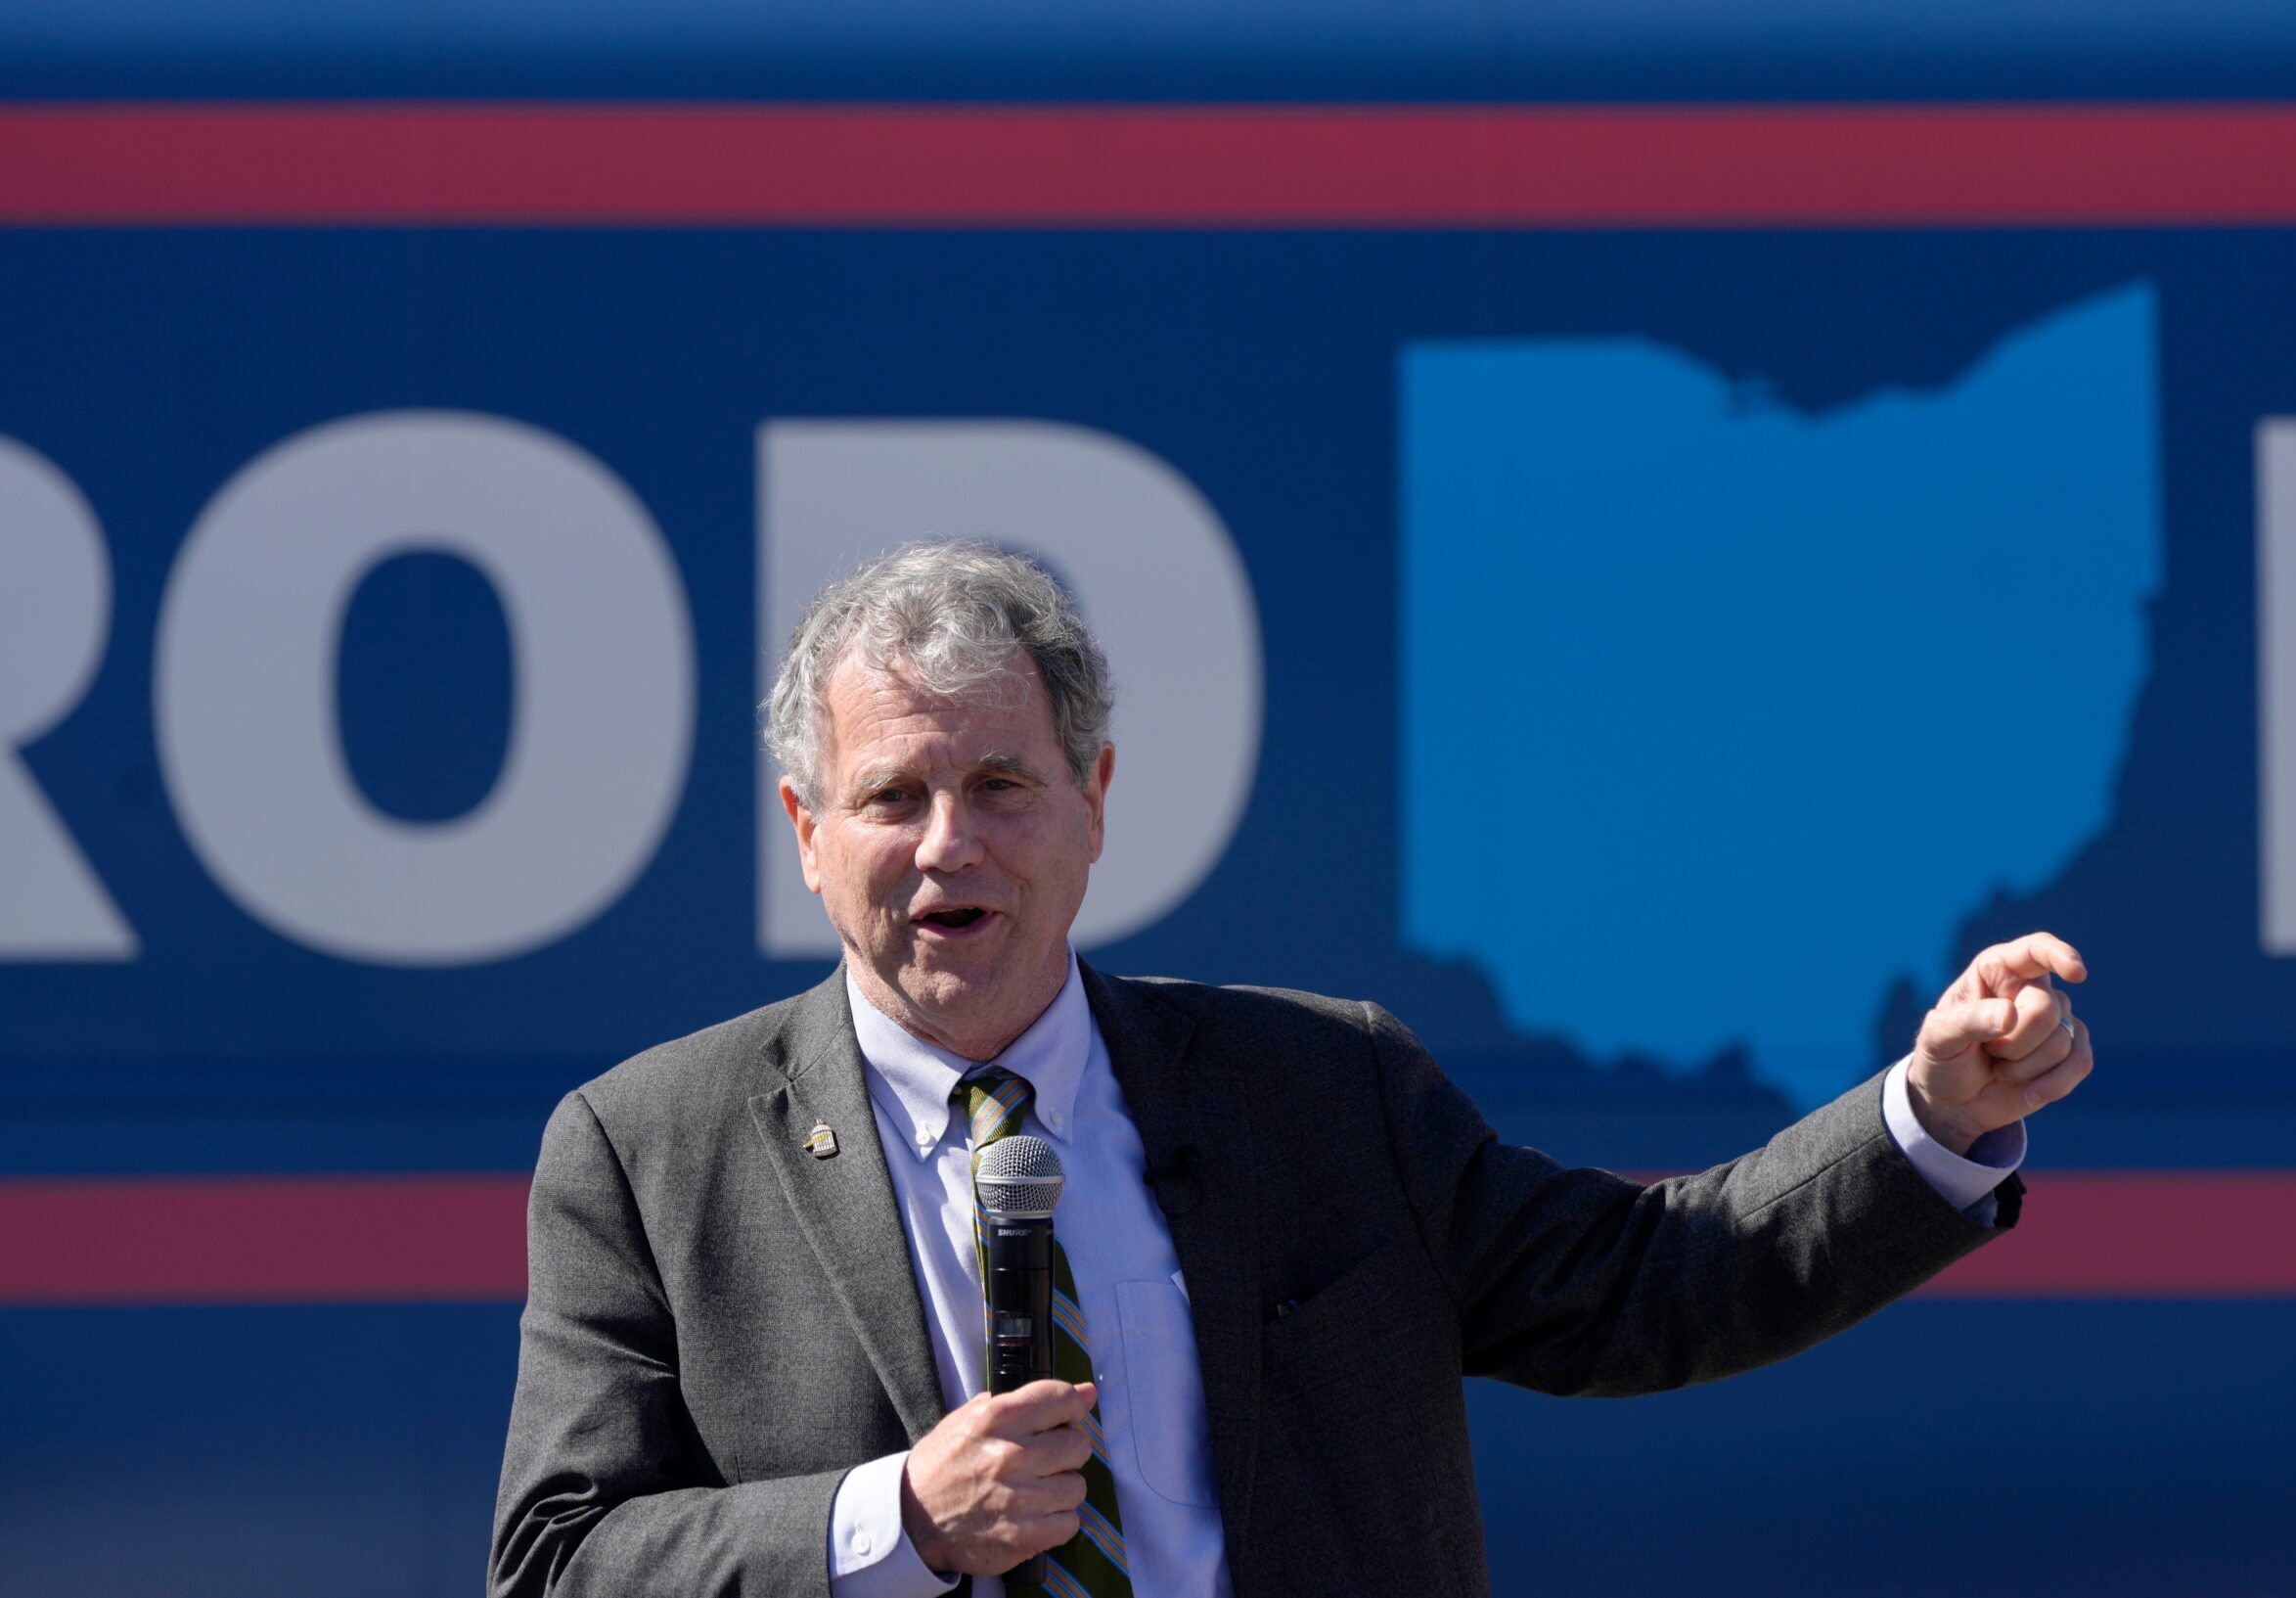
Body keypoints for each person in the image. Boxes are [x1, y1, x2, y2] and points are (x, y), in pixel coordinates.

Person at [490, 541, 2093, 1598]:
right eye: (894, 794)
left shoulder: (1322, 1088)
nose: (946, 845)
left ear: (1096, 797)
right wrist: (887, 1521)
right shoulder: (647, 1150)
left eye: (999, 782)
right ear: (806, 833)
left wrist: (1938, 1115)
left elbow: (1645, 1285)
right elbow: (557, 1565)